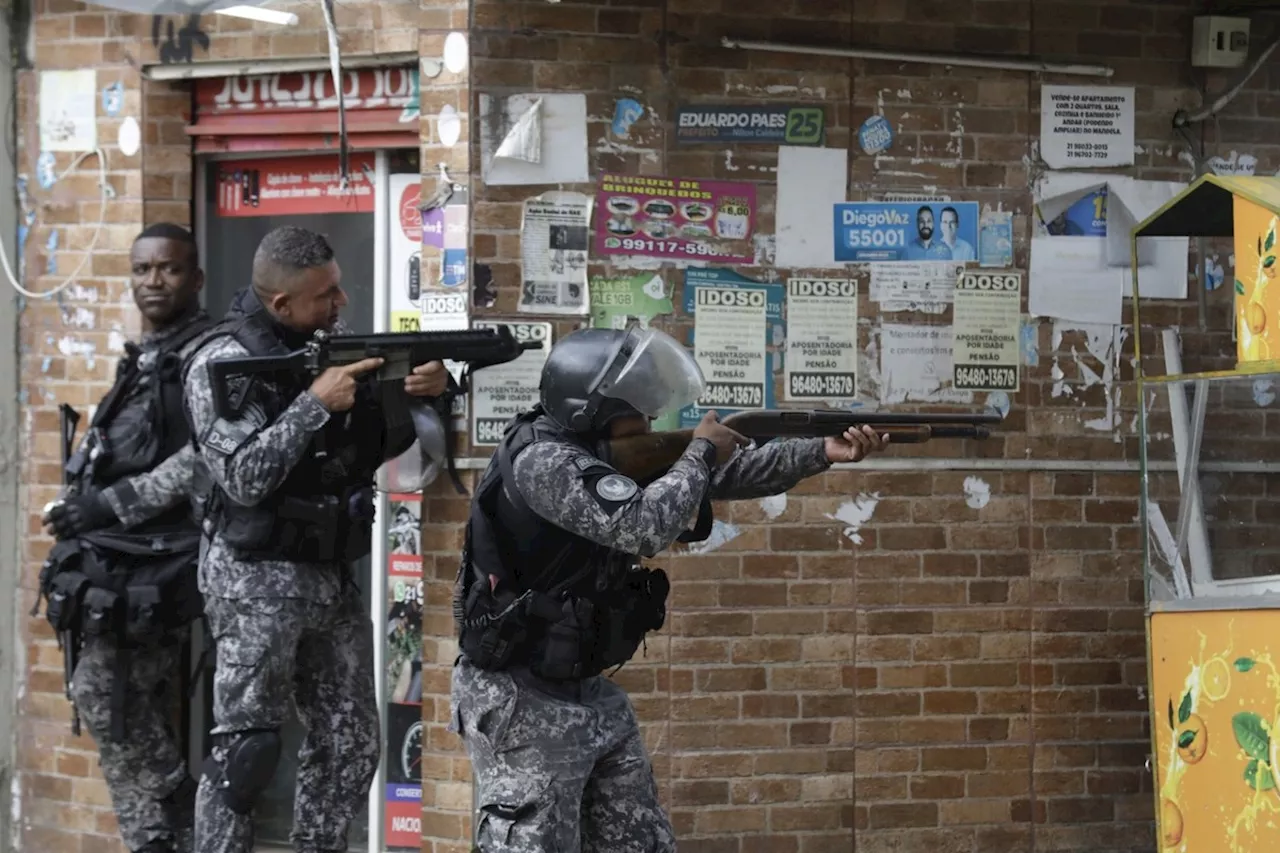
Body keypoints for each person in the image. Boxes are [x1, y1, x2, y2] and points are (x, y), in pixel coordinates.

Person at [449, 324, 889, 852]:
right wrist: (701, 451)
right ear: (594, 410)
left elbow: (731, 473)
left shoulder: (601, 453)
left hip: (587, 689)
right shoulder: (545, 460)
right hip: (521, 696)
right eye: (640, 408)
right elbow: (646, 524)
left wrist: (823, 450)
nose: (653, 419)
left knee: (642, 842)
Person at [181, 226, 450, 853]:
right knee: (246, 751)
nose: (340, 304)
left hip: (328, 576)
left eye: (337, 288)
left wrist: (420, 393)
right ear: (282, 304)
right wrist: (311, 404)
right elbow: (243, 478)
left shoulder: (328, 347)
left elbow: (369, 448)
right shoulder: (219, 362)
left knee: (352, 743)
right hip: (254, 583)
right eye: (325, 295)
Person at [38, 222, 214, 853]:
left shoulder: (207, 352)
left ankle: (174, 807)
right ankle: (166, 827)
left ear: (195, 278)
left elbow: (205, 456)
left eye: (167, 269)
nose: (153, 281)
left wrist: (107, 505)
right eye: (142, 270)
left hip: (163, 560)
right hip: (121, 560)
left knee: (104, 695)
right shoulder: (147, 353)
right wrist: (77, 504)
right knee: (126, 703)